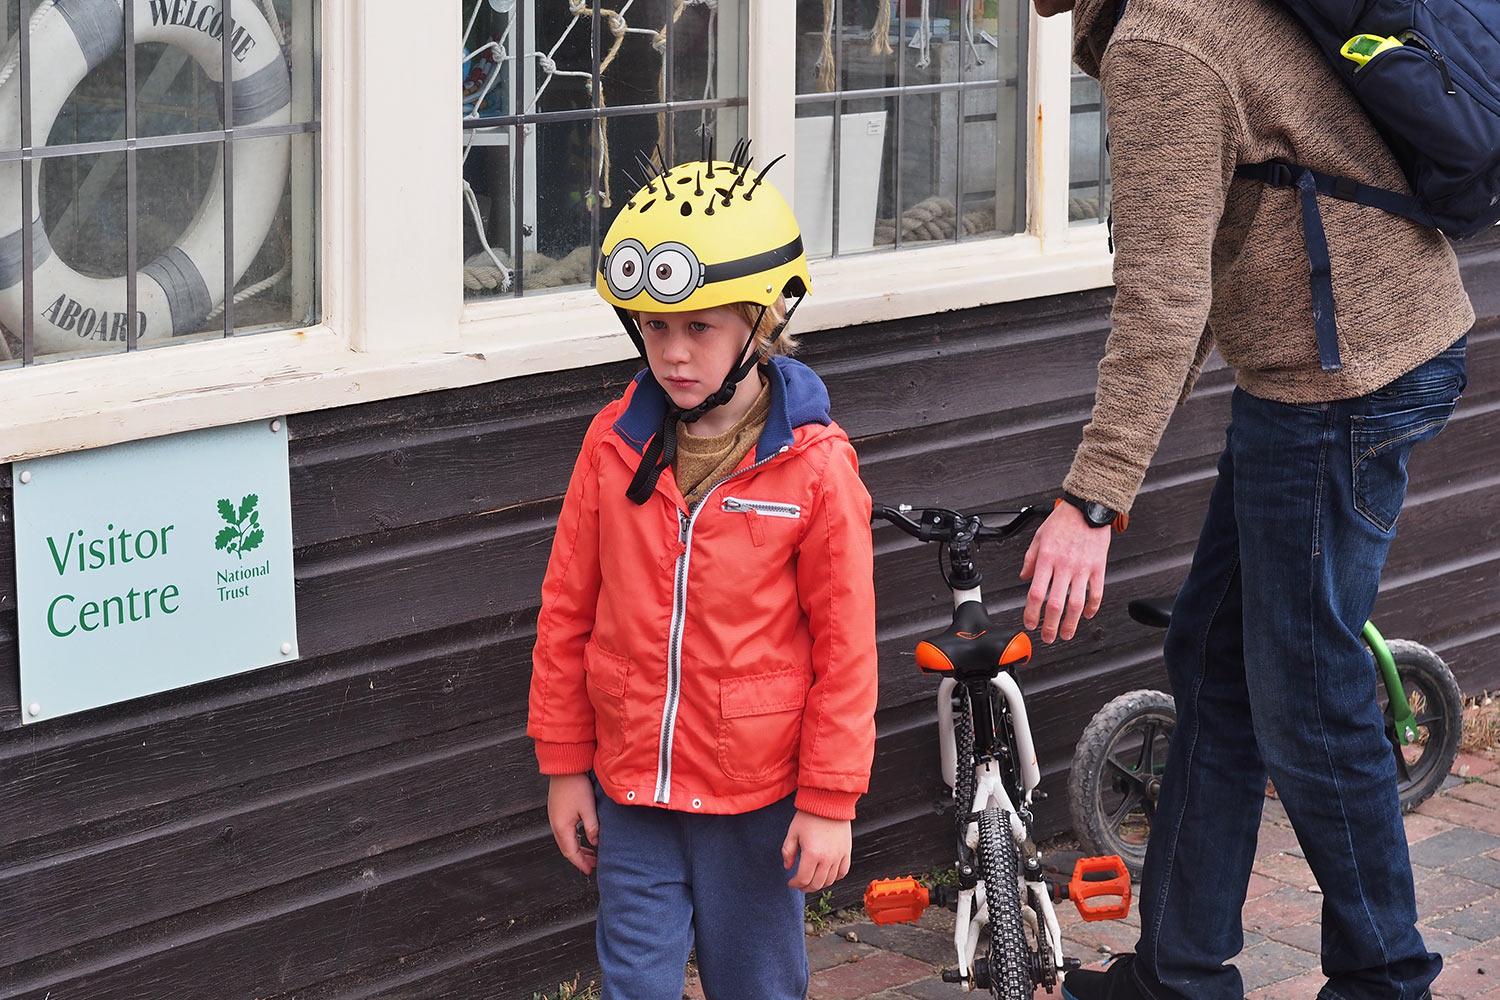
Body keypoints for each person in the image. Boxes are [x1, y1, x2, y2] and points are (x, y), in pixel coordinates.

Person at [1019, 1, 1475, 999]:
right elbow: (1198, 286)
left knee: (1307, 701)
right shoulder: (1187, 15)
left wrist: (1093, 500)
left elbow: (1163, 298)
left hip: (1340, 384)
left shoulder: (1162, 41)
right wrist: (1109, 480)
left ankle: (1388, 982)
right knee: (1217, 659)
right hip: (1336, 367)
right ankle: (1177, 974)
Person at [527, 148, 878, 1000]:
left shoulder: (815, 468)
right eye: (654, 328)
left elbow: (846, 650)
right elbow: (566, 609)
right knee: (635, 987)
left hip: (754, 801)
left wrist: (830, 800)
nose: (674, 354)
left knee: (757, 985)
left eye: (699, 327)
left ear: (760, 324)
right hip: (634, 792)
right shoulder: (611, 445)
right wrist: (566, 764)